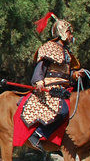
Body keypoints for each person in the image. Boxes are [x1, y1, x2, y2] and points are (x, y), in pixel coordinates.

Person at [24, 13, 81, 148]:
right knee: (63, 111)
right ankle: (37, 134)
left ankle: (58, 143)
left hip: (63, 89)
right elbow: (41, 66)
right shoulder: (50, 47)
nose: (71, 36)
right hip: (50, 89)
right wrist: (38, 80)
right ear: (62, 32)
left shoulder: (66, 52)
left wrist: (75, 75)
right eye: (69, 32)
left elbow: (65, 72)